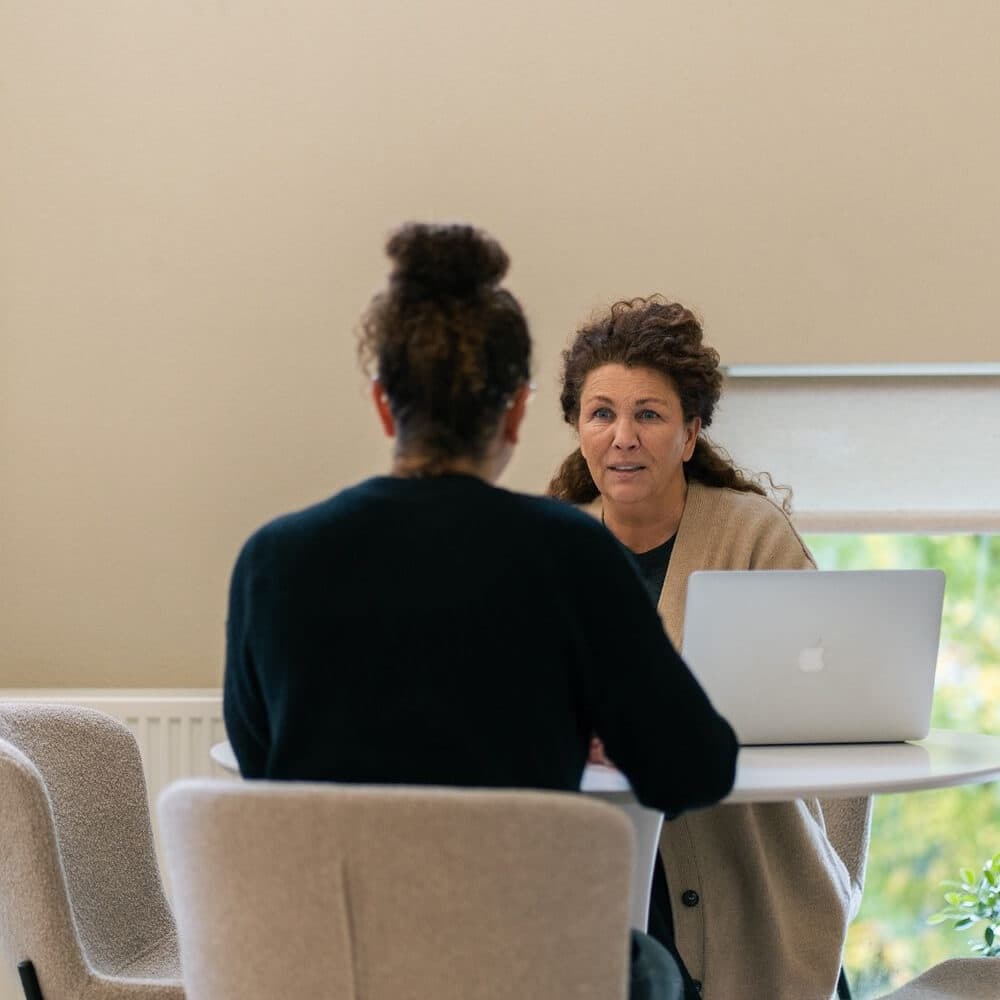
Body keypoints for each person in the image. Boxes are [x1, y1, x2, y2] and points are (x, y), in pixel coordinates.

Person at [223, 225, 739, 1000]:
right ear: (516, 413)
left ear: (381, 402)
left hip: (338, 973)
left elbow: (267, 778)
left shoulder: (272, 561)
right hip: (525, 970)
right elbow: (694, 768)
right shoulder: (572, 555)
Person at [549, 296, 872, 1000]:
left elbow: (836, 711)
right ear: (579, 428)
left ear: (690, 435)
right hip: (608, 889)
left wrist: (840, 877)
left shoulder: (751, 535)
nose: (623, 436)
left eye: (650, 414)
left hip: (751, 893)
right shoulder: (551, 546)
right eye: (602, 413)